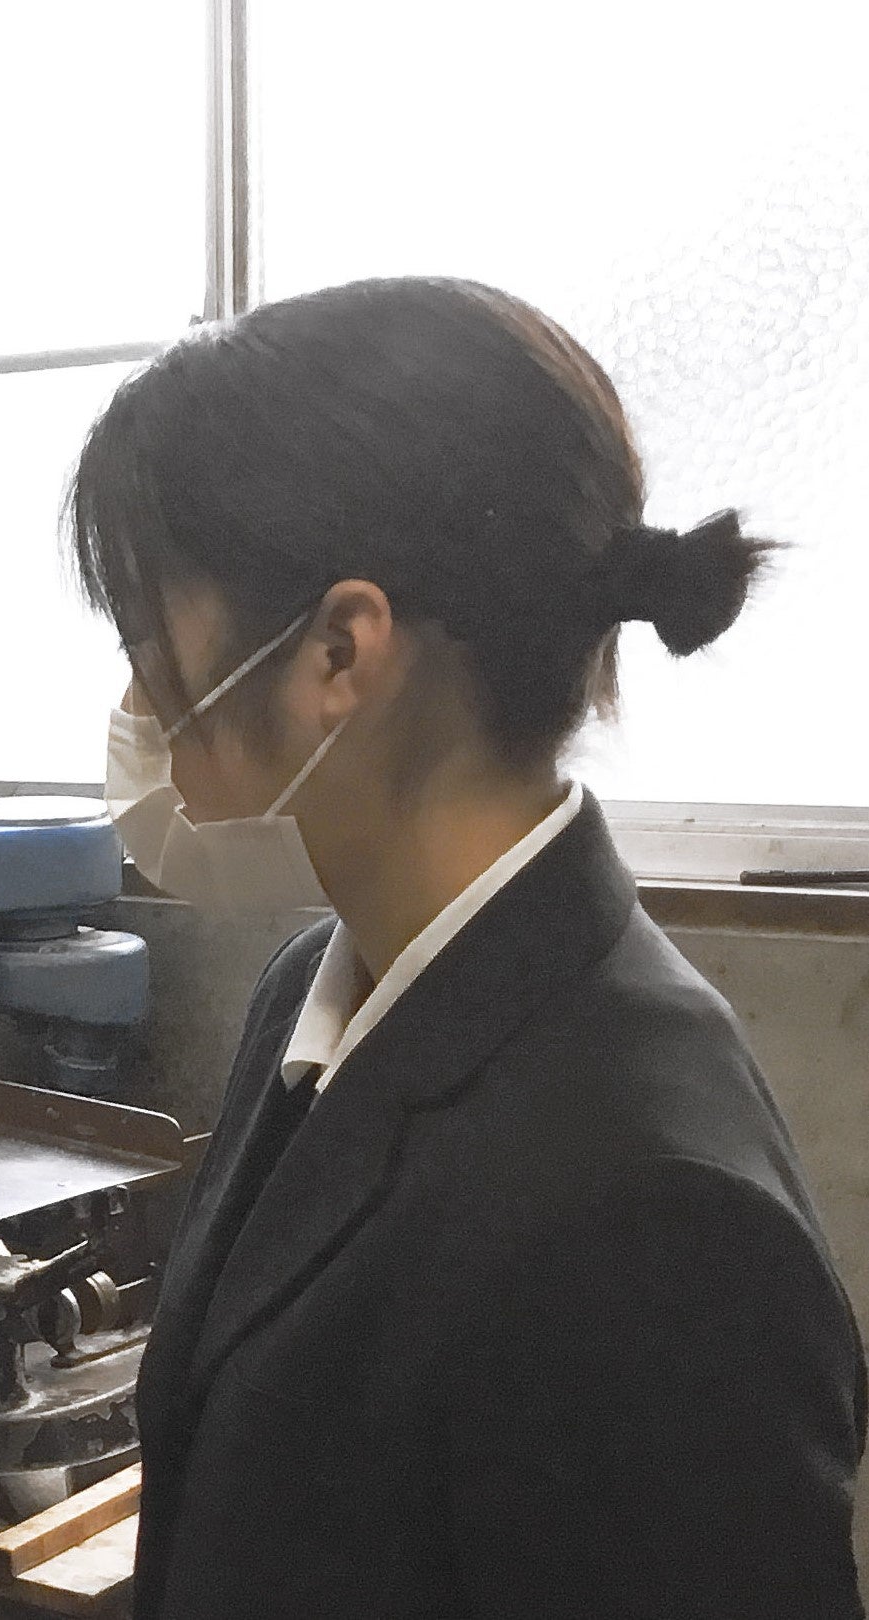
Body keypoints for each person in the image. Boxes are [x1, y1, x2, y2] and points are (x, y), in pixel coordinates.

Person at [77, 276, 864, 1617]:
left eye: (155, 633)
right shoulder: (314, 1001)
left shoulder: (650, 1214)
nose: (140, 684)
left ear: (340, 651)